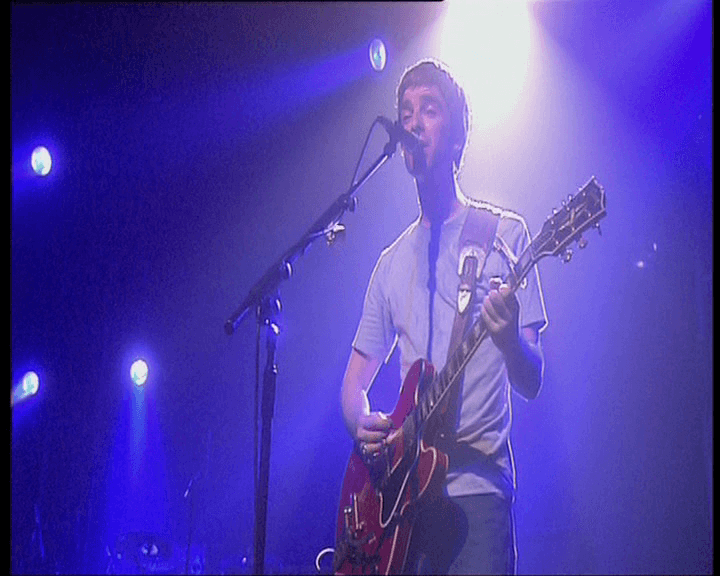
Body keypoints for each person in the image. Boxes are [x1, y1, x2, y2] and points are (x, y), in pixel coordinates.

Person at [340, 59, 548, 575]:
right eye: (406, 111)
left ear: (456, 138)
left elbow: (532, 378)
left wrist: (508, 342)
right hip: (404, 502)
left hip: (477, 492)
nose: (413, 122)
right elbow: (353, 386)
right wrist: (361, 426)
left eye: (429, 110)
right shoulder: (390, 263)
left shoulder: (506, 236)